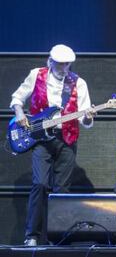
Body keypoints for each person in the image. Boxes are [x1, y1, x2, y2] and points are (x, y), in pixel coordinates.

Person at [10, 44, 95, 246]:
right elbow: (17, 97)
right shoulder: (36, 75)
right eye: (60, 64)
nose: (64, 68)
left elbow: (85, 118)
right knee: (39, 183)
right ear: (50, 61)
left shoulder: (78, 83)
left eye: (67, 65)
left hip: (67, 139)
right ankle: (32, 235)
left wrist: (89, 117)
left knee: (61, 189)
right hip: (41, 138)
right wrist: (20, 113)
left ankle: (57, 236)